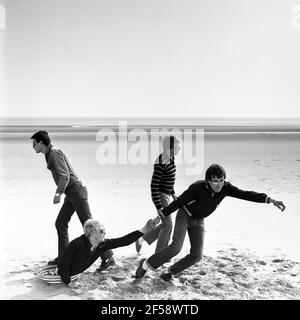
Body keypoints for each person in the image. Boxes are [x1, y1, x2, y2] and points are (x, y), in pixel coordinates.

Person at [135, 163, 286, 282]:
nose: (219, 185)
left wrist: (269, 200)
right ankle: (146, 264)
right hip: (185, 216)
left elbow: (245, 194)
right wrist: (160, 216)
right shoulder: (197, 187)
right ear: (208, 181)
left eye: (221, 181)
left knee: (197, 255)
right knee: (176, 247)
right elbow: (178, 202)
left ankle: (169, 272)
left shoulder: (226, 188)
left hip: (199, 221)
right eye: (215, 182)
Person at [31, 130, 114, 271]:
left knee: (92, 228)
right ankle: (64, 258)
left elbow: (64, 176)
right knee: (61, 223)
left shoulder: (54, 153)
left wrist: (58, 193)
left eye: (34, 143)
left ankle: (109, 258)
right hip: (71, 194)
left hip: (76, 191)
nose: (33, 146)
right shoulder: (49, 153)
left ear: (41, 142)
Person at [56, 217, 160, 285]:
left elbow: (123, 241)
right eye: (101, 230)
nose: (104, 232)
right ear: (92, 232)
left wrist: (145, 229)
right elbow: (62, 265)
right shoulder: (77, 244)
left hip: (74, 275)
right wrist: (68, 283)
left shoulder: (102, 245)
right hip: (63, 277)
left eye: (104, 229)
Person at [135, 135, 180, 254]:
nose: (179, 148)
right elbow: (154, 185)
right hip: (161, 196)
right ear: (169, 148)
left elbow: (168, 180)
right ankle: (160, 255)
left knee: (166, 223)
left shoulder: (170, 158)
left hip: (167, 195)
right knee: (168, 225)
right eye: (177, 146)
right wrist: (159, 206)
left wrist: (173, 193)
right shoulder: (162, 161)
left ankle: (142, 239)